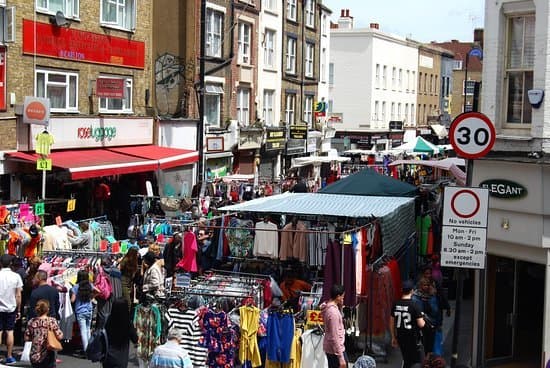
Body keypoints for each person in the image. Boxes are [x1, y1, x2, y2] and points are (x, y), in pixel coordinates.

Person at [390, 280, 426, 368]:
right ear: (412, 291)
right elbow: (421, 324)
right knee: (418, 362)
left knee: (406, 359)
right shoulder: (414, 305)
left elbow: (391, 322)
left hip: (401, 338)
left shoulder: (395, 304)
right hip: (413, 339)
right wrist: (425, 320)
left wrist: (393, 337)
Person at [24, 299, 63, 368]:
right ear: (47, 309)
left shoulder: (32, 321)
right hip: (48, 352)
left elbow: (26, 338)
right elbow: (60, 336)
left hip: (35, 353)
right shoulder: (51, 321)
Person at [0, 254, 23, 364]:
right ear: (10, 264)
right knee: (10, 331)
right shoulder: (16, 276)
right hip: (11, 307)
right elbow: (18, 295)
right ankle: (9, 356)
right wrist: (18, 310)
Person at [102, 298, 138, 368]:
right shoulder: (127, 323)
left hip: (107, 357)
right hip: (121, 359)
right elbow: (135, 339)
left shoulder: (108, 320)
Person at [321, 284, 347, 368]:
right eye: (342, 297)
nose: (343, 298)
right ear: (338, 296)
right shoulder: (333, 313)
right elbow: (334, 336)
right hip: (335, 350)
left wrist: (340, 307)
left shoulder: (329, 307)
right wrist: (341, 357)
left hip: (332, 349)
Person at [412, 277, 439, 355]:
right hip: (419, 324)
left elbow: (435, 311)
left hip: (430, 324)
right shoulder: (415, 296)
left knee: (429, 346)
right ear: (420, 286)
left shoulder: (432, 296)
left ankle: (428, 360)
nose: (426, 287)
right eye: (424, 285)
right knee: (418, 344)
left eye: (427, 285)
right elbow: (416, 311)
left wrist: (429, 301)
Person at [70, 270, 96, 352]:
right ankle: (90, 348)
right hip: (89, 309)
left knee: (83, 331)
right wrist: (92, 297)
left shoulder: (76, 287)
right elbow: (98, 291)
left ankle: (86, 350)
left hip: (80, 311)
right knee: (88, 329)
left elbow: (72, 300)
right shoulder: (90, 285)